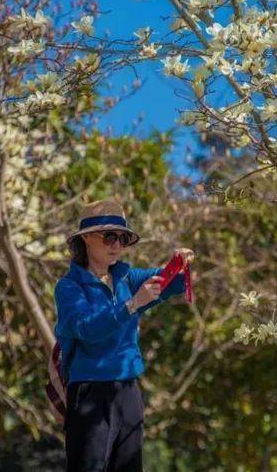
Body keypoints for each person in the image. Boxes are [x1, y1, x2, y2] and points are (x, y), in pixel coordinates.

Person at [54, 198, 194, 472]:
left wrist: (181, 261)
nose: (117, 245)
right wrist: (132, 305)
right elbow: (88, 328)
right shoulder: (68, 287)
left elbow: (173, 282)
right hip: (89, 392)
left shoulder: (127, 277)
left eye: (123, 238)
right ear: (86, 239)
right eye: (109, 237)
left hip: (128, 391)